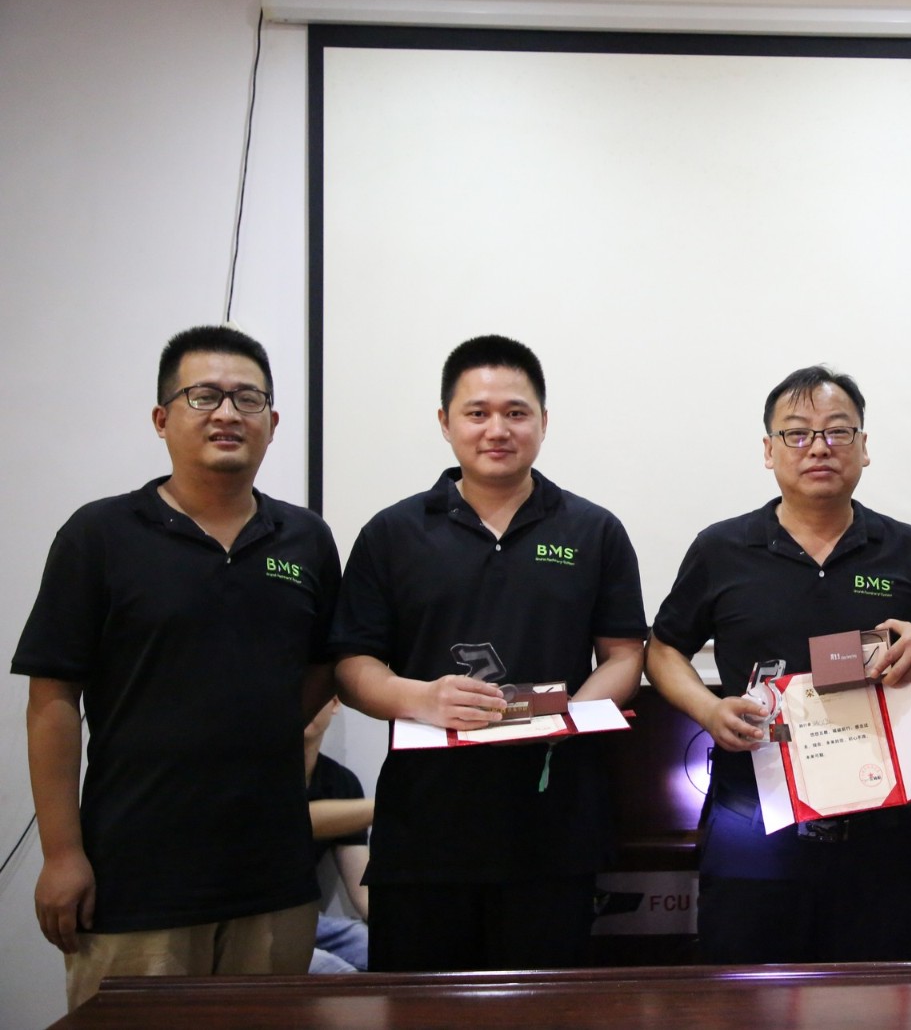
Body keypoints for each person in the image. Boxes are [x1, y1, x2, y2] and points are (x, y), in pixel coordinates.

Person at [12, 325, 340, 1010]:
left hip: (272, 878)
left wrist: (260, 728)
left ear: (273, 423)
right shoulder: (100, 535)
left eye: (248, 398)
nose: (227, 414)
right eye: (204, 396)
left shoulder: (306, 539)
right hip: (135, 876)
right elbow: (52, 700)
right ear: (162, 419)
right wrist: (62, 854)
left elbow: (323, 668)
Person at [330, 334, 647, 972]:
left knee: (546, 1009)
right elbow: (351, 666)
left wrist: (568, 717)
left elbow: (624, 655)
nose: (497, 429)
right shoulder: (393, 533)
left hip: (554, 826)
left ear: (544, 422)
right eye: (477, 412)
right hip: (425, 828)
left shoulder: (594, 531)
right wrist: (421, 698)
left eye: (516, 412)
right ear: (445, 421)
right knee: (418, 1009)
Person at [647, 365, 911, 964]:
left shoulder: (909, 549)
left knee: (875, 997)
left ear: (864, 447)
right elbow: (663, 648)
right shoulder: (722, 549)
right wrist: (708, 709)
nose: (819, 447)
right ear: (768, 450)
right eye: (797, 433)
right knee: (746, 995)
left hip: (879, 831)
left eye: (838, 431)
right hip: (753, 826)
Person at [303, 699, 373, 973]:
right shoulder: (259, 776)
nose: (305, 704)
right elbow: (300, 819)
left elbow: (363, 893)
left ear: (334, 703)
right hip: (260, 922)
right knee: (340, 974)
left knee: (379, 948)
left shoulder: (341, 782)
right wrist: (390, 804)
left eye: (315, 693)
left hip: (314, 921)